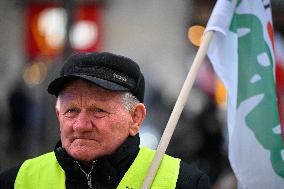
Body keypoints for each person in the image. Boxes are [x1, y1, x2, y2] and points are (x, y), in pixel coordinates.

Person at [0, 52, 210, 189]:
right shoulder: (16, 181)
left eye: (98, 111)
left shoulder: (185, 183)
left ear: (135, 118)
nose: (80, 125)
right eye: (71, 111)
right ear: (58, 115)